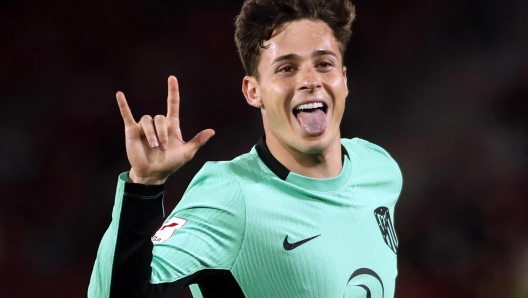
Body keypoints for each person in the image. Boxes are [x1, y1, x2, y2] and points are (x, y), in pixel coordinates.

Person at [88, 0, 402, 297]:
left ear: (344, 79)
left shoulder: (377, 167)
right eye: (287, 68)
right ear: (254, 91)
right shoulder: (230, 195)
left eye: (323, 63)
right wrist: (144, 187)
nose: (310, 80)